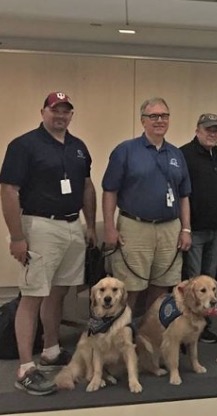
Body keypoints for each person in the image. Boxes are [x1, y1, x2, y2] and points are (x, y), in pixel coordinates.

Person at [0, 92, 97, 395]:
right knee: (32, 296)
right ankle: (26, 368)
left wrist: (90, 225)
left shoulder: (78, 147)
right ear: (43, 111)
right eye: (55, 110)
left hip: (71, 226)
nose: (61, 115)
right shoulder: (24, 145)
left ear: (71, 115)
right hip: (39, 225)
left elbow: (86, 185)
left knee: (58, 292)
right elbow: (9, 190)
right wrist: (17, 236)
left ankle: (51, 349)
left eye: (66, 111)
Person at [102, 97, 191, 312]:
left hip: (170, 228)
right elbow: (110, 191)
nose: (159, 120)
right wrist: (109, 228)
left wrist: (186, 229)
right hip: (135, 227)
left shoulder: (176, 154)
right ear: (143, 120)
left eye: (164, 116)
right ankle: (123, 336)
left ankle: (149, 335)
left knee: (162, 285)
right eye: (153, 116)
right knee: (129, 287)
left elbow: (184, 195)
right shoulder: (126, 150)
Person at [180, 113, 217, 343]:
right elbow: (182, 193)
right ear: (197, 130)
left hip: (214, 230)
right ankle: (190, 326)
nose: (212, 133)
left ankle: (203, 324)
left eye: (216, 130)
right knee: (194, 283)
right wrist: (185, 228)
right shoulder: (184, 155)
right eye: (208, 129)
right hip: (195, 231)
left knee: (209, 282)